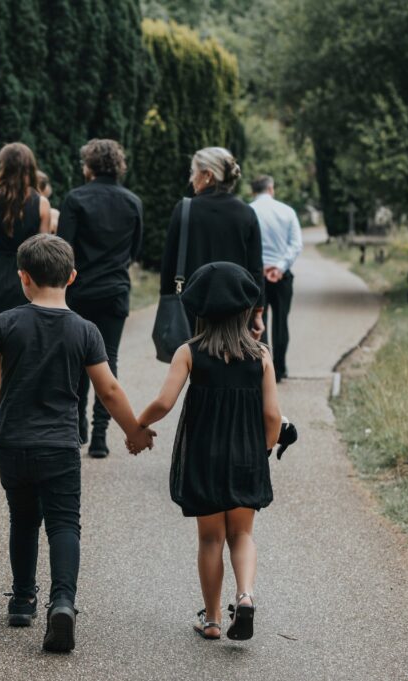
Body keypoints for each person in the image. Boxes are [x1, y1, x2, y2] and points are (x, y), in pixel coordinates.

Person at [0, 234, 154, 653]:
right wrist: (134, 430)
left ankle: (21, 599)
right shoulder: (85, 330)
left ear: (23, 278)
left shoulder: (7, 322)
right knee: (64, 524)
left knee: (23, 519)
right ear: (71, 277)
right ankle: (62, 602)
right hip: (60, 446)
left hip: (12, 443)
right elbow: (108, 391)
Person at [137, 262, 282, 642]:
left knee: (210, 539)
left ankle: (214, 619)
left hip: (204, 457)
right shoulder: (261, 356)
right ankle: (246, 596)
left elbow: (164, 402)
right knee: (243, 535)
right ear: (244, 310)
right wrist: (262, 450)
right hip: (245, 456)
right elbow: (273, 415)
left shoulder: (189, 352)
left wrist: (138, 424)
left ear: (199, 309)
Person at [57, 139, 143, 458]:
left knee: (77, 358)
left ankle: (77, 423)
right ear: (118, 165)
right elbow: (136, 249)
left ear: (89, 166)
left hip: (79, 290)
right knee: (109, 359)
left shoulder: (75, 199)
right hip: (115, 290)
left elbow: (63, 248)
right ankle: (101, 437)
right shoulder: (133, 201)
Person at [0, 143, 52, 402]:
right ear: (30, 167)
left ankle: (1, 410)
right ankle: (24, 410)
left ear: (2, 165)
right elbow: (43, 248)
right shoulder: (41, 204)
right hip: (26, 279)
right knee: (28, 346)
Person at [159, 147, 265, 338]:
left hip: (192, 309)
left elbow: (169, 266)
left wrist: (167, 304)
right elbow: (256, 268)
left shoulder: (184, 210)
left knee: (193, 363)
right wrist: (257, 312)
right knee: (231, 362)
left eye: (193, 172)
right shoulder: (246, 213)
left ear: (208, 175)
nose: (191, 179)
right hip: (236, 310)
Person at [250, 175, 302, 382]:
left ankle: (263, 369)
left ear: (253, 191)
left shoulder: (249, 211)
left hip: (256, 276)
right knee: (281, 322)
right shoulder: (287, 211)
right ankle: (279, 369)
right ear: (271, 188)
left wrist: (260, 267)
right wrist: (279, 267)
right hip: (281, 276)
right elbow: (296, 244)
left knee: (257, 322)